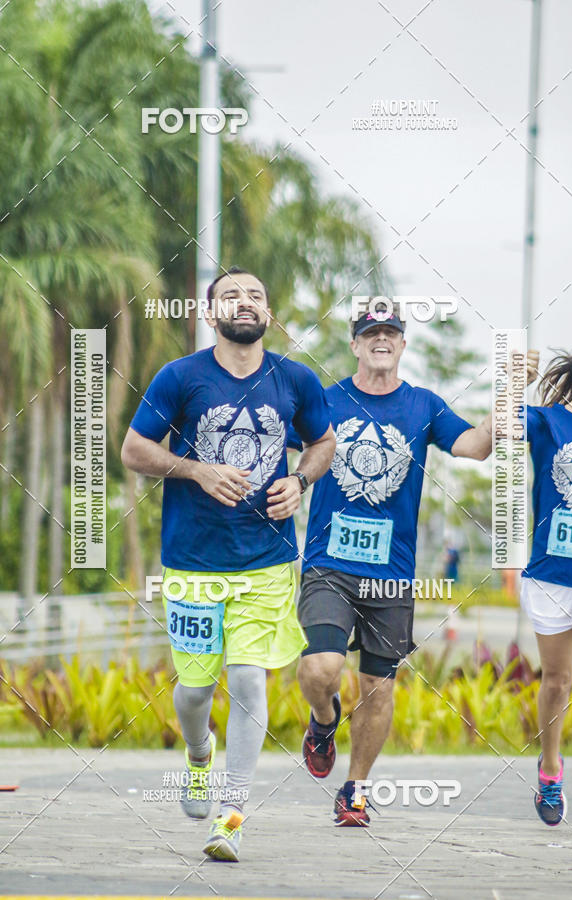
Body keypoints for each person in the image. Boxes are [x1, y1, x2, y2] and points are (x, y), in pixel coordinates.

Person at [121, 267, 335, 861]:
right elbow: (133, 449)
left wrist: (300, 480)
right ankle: (197, 755)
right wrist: (196, 469)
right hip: (193, 562)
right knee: (193, 692)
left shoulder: (294, 379)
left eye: (257, 295)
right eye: (231, 295)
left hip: (267, 562)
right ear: (211, 313)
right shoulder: (180, 378)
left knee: (246, 680)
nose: (246, 303)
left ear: (269, 313)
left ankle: (232, 818)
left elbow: (323, 442)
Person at [291, 300, 497, 826]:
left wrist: (508, 403)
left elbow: (474, 447)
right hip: (328, 564)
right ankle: (322, 720)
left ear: (403, 344)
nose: (380, 339)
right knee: (321, 668)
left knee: (378, 687)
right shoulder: (326, 400)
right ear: (355, 344)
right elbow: (280, 436)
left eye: (390, 332)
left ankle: (355, 790)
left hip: (391, 574)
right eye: (370, 332)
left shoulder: (423, 406)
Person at [521, 336, 572, 826]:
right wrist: (512, 386)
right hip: (551, 571)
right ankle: (550, 765)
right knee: (557, 680)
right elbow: (495, 436)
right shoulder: (546, 421)